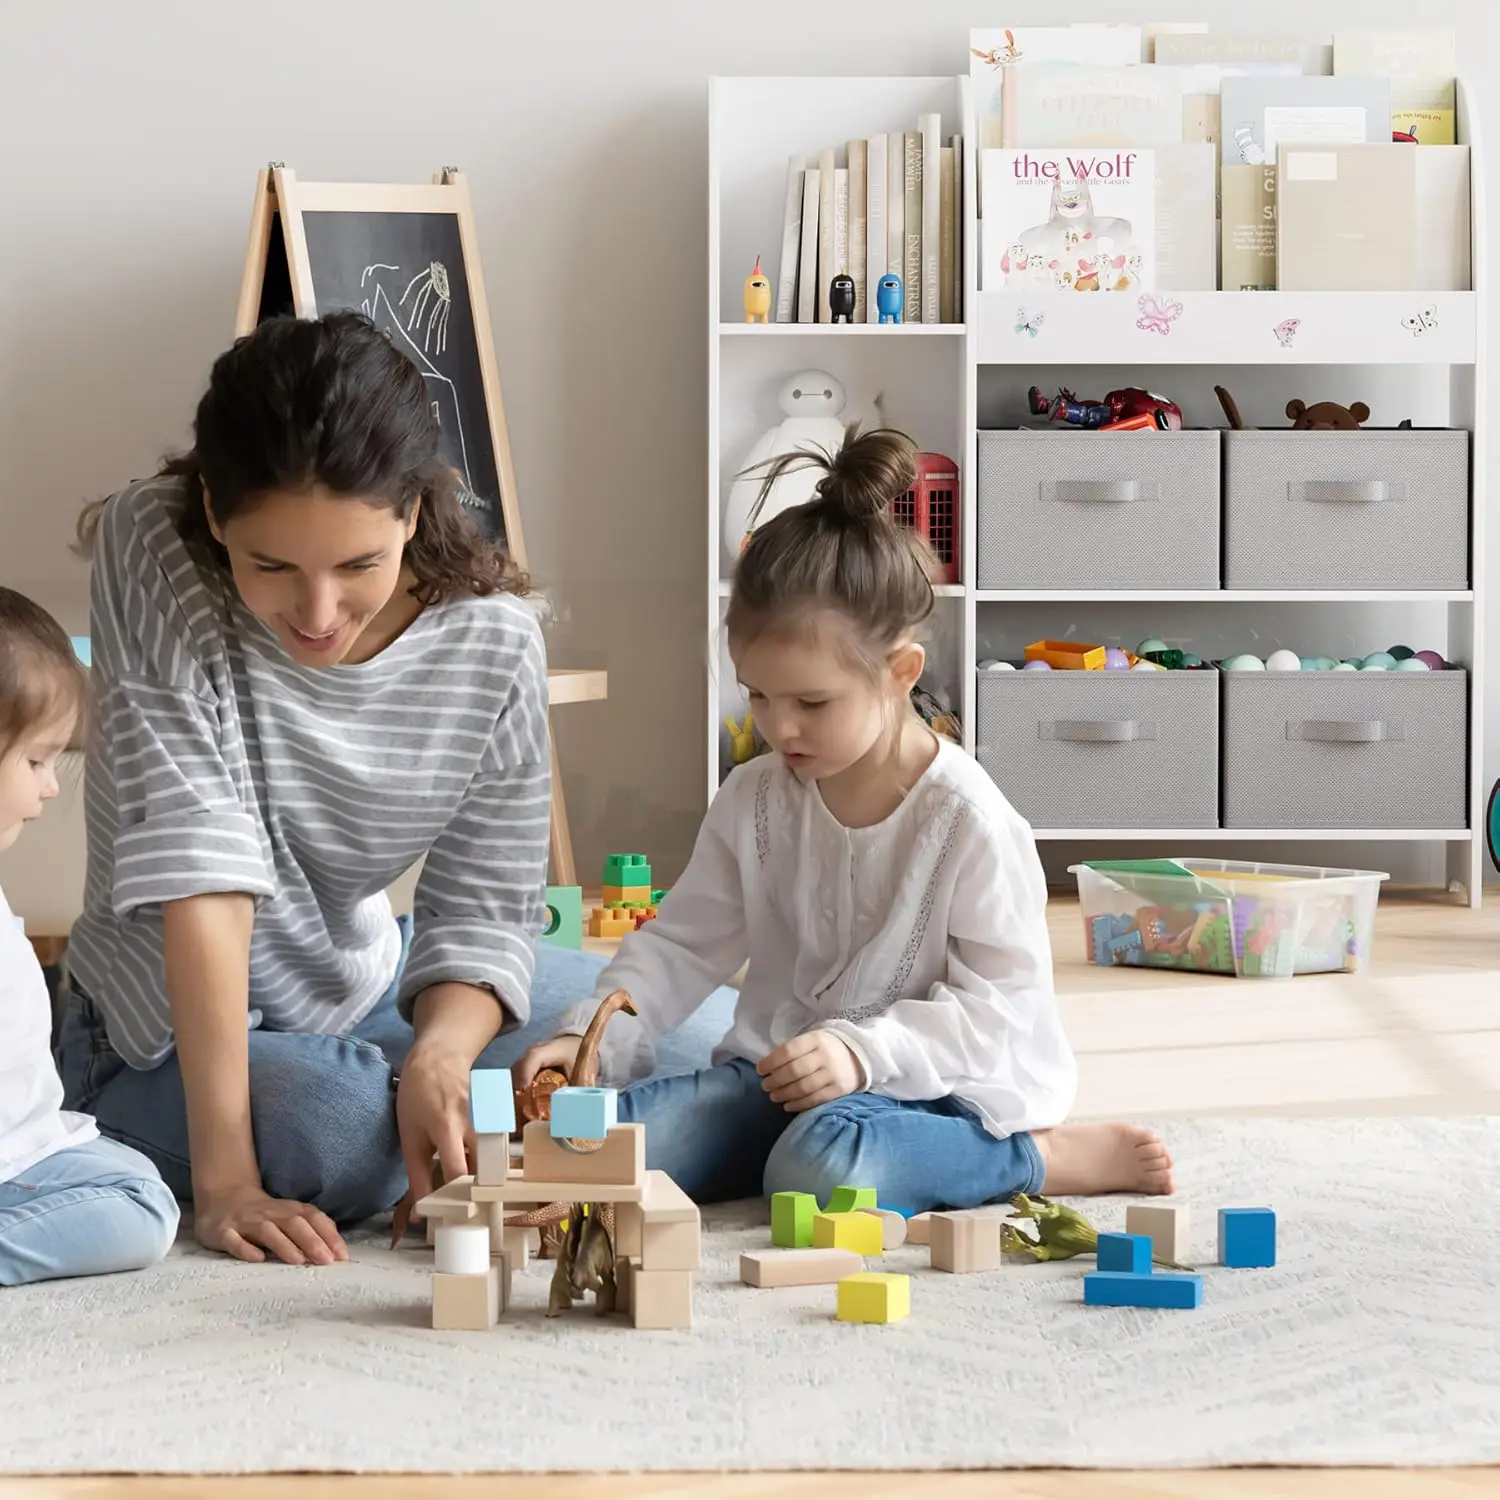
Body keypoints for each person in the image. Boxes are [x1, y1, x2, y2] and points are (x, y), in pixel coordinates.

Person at [55, 310, 608, 1268]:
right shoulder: (154, 542)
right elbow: (199, 861)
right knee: (346, 1128)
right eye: (271, 565)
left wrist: (440, 1053)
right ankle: (453, 1125)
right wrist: (227, 1184)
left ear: (413, 513)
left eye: (358, 565)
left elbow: (484, 908)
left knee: (668, 1034)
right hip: (157, 1031)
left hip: (364, 983)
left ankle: (444, 1100)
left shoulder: (495, 638)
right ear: (216, 514)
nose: (317, 613)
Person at [516, 425, 1174, 1214]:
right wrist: (591, 1037)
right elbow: (681, 945)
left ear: (899, 673)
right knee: (588, 1143)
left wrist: (861, 1052)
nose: (778, 726)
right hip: (781, 1081)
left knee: (820, 1167)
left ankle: (1033, 1158)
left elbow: (1000, 1011)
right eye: (758, 695)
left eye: (812, 702)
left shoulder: (968, 821)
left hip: (932, 1097)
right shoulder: (754, 798)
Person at [0, 587, 180, 1285]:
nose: (51, 788)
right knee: (140, 1208)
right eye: (35, 761)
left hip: (25, 1144)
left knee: (134, 1174)